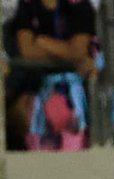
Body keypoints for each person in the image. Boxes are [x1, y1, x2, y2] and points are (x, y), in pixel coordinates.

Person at [5, 0, 97, 149]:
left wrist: (42, 41)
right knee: (24, 110)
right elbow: (27, 51)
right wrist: (65, 50)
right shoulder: (27, 5)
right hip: (35, 85)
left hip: (76, 88)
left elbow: (78, 50)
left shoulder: (80, 5)